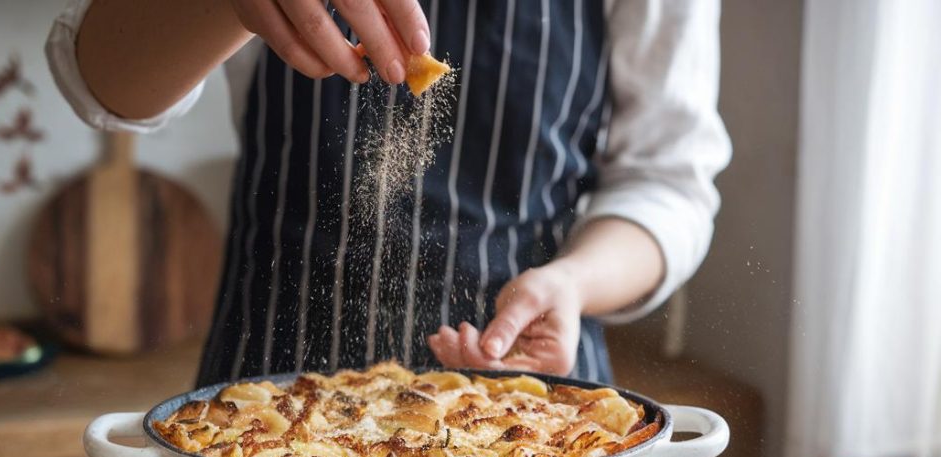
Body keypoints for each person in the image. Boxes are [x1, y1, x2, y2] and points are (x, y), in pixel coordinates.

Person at [46, 0, 730, 386]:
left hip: (529, 412)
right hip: (262, 416)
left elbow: (666, 181)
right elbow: (101, 86)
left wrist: (573, 283)